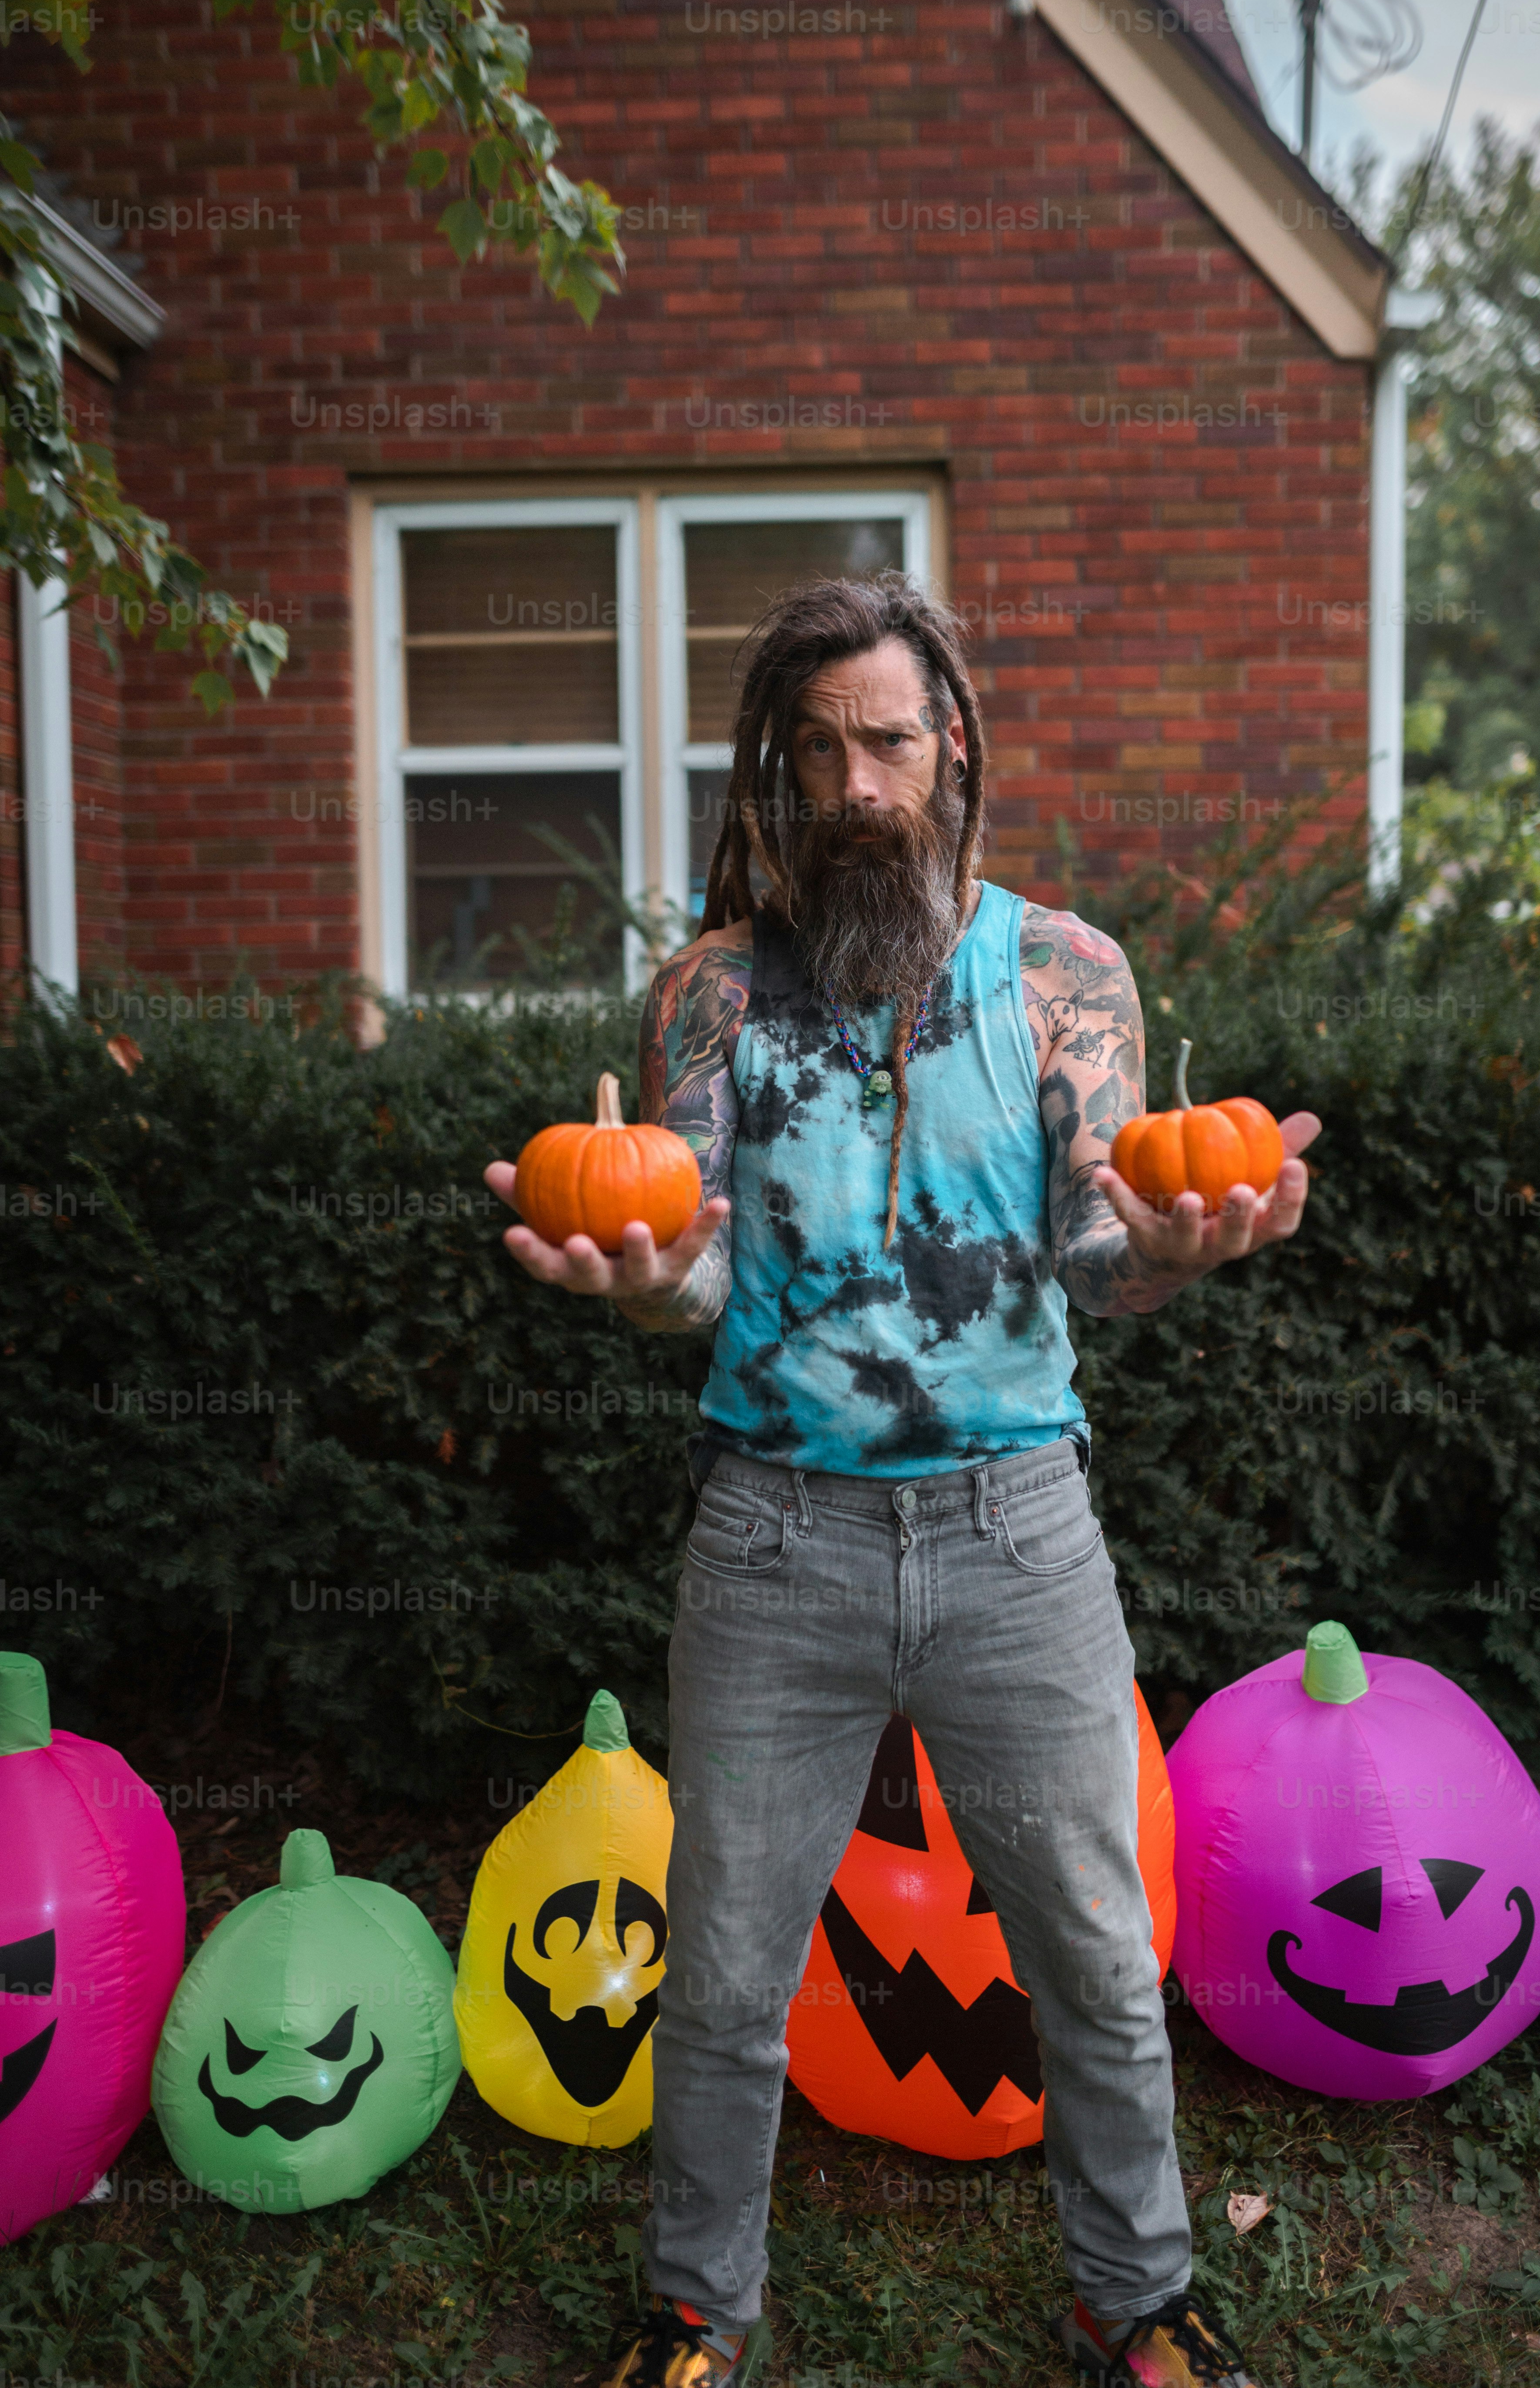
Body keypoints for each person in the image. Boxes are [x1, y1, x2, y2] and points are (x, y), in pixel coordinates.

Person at [485, 577, 1321, 2388]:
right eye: (821, 750)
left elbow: (1097, 1261)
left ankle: (1138, 2295)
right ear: (778, 774)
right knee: (718, 1976)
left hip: (1018, 1530)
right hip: (773, 1534)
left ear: (952, 744)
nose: (860, 783)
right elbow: (691, 1259)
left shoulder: (1063, 974)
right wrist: (639, 1292)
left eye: (888, 739)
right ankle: (700, 2310)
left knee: (1096, 1958)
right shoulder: (711, 991)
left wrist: (1188, 1245)